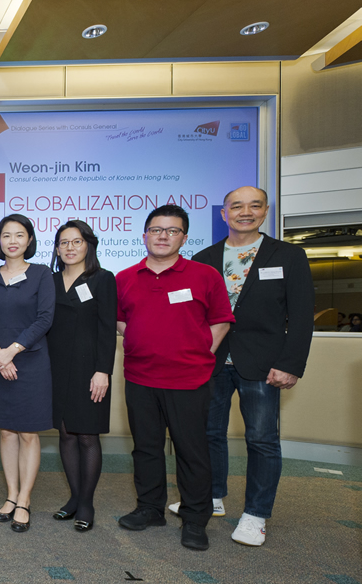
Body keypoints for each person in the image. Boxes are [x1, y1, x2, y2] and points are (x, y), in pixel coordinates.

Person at [166, 186, 314, 547]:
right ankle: (212, 496)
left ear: (265, 211)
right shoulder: (204, 258)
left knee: (261, 440)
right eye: (236, 206)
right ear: (224, 214)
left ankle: (255, 514)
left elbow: (302, 315)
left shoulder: (289, 255)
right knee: (208, 434)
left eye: (254, 205)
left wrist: (290, 364)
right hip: (211, 361)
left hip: (264, 364)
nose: (245, 212)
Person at [116, 205, 234, 551]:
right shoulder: (125, 277)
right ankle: (150, 508)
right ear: (145, 236)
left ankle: (195, 519)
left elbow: (221, 321)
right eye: (156, 230)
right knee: (146, 448)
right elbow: (120, 321)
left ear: (184, 238)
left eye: (172, 230)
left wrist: (197, 354)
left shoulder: (205, 275)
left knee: (191, 451)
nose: (163, 236)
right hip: (140, 378)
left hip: (189, 380)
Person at [0, 214, 55, 533]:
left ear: (30, 240)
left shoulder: (42, 274)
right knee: (6, 431)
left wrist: (12, 350)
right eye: (7, 235)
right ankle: (11, 495)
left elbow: (45, 318)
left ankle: (24, 499)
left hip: (31, 362)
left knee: (28, 433)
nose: (13, 241)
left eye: (20, 235)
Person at [47, 220, 117, 532]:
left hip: (90, 369)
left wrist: (103, 371)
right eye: (64, 242)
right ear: (57, 248)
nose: (70, 247)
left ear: (89, 244)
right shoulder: (49, 280)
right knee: (65, 434)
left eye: (76, 241)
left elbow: (107, 329)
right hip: (55, 367)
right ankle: (74, 498)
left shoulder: (103, 279)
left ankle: (87, 503)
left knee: (87, 435)